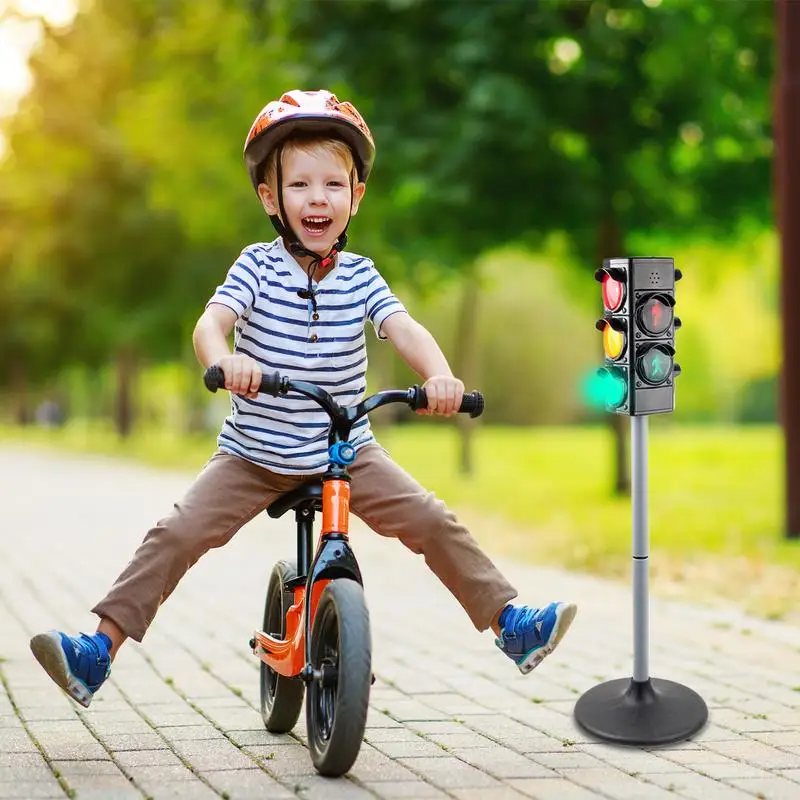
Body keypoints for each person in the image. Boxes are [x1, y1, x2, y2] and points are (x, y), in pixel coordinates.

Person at [30, 90, 577, 708]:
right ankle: (97, 651)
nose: (318, 198)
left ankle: (510, 625)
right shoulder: (256, 268)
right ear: (272, 199)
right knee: (176, 533)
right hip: (253, 454)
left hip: (346, 451)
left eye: (333, 185)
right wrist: (224, 360)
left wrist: (441, 376)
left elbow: (404, 329)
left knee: (431, 519)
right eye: (300, 185)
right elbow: (210, 326)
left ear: (356, 196)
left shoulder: (362, 275)